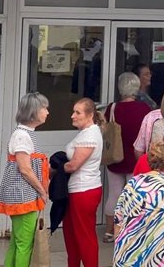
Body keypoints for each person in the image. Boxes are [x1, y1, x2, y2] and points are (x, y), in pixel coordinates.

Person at [0, 93, 50, 266]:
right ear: (33, 111)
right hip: (22, 196)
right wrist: (42, 192)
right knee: (24, 244)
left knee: (17, 242)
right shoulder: (22, 136)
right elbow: (25, 169)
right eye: (44, 108)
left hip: (23, 195)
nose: (47, 112)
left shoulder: (25, 133)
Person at [101, 73, 151, 242]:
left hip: (115, 157)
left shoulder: (112, 108)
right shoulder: (144, 109)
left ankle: (109, 231)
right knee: (134, 196)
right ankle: (130, 231)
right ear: (136, 88)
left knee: (114, 194)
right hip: (135, 159)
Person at [62, 98, 104, 267]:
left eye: (78, 112)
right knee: (71, 234)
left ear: (90, 115)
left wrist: (56, 169)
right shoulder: (85, 133)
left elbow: (74, 165)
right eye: (73, 111)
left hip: (84, 190)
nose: (73, 116)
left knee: (84, 236)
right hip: (78, 189)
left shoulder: (91, 134)